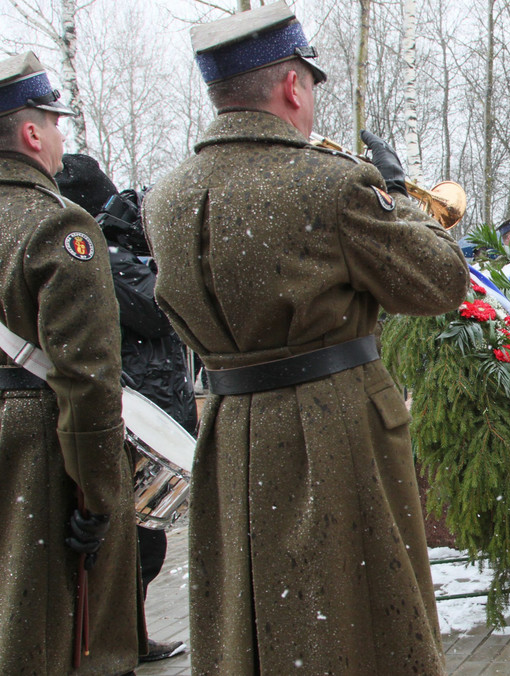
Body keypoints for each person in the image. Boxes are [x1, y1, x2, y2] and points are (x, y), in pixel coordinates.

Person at [141, 4, 470, 673]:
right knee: (360, 620)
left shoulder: (165, 198)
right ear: (293, 85)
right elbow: (439, 283)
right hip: (334, 425)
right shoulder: (333, 182)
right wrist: (401, 194)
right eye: (311, 86)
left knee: (249, 621)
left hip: (231, 431)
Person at [0, 51, 140, 674]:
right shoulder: (56, 226)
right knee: (47, 634)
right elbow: (87, 379)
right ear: (32, 133)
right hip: (38, 452)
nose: (60, 138)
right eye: (55, 123)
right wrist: (99, 496)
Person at [55, 154, 191, 663]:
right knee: (133, 543)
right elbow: (162, 312)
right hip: (137, 413)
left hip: (158, 405)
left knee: (143, 543)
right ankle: (110, 639)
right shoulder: (102, 257)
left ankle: (127, 633)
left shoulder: (123, 250)